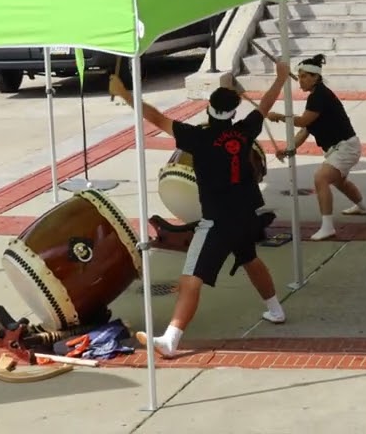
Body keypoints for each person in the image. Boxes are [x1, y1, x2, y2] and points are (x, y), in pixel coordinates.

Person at [109, 61, 292, 359]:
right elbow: (265, 104)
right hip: (246, 214)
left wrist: (126, 94)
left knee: (189, 280)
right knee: (250, 259)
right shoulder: (245, 131)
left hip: (217, 221)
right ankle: (275, 308)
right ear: (234, 113)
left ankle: (170, 339)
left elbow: (155, 117)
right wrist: (281, 77)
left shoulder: (198, 137)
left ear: (208, 108)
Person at [267, 54, 366, 242]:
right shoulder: (317, 96)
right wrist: (289, 149)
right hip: (343, 147)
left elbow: (303, 121)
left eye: (305, 76)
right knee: (338, 181)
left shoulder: (319, 96)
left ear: (316, 77)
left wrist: (280, 116)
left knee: (321, 178)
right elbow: (306, 130)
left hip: (345, 147)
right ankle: (361, 206)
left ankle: (328, 227)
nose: (301, 79)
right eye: (300, 75)